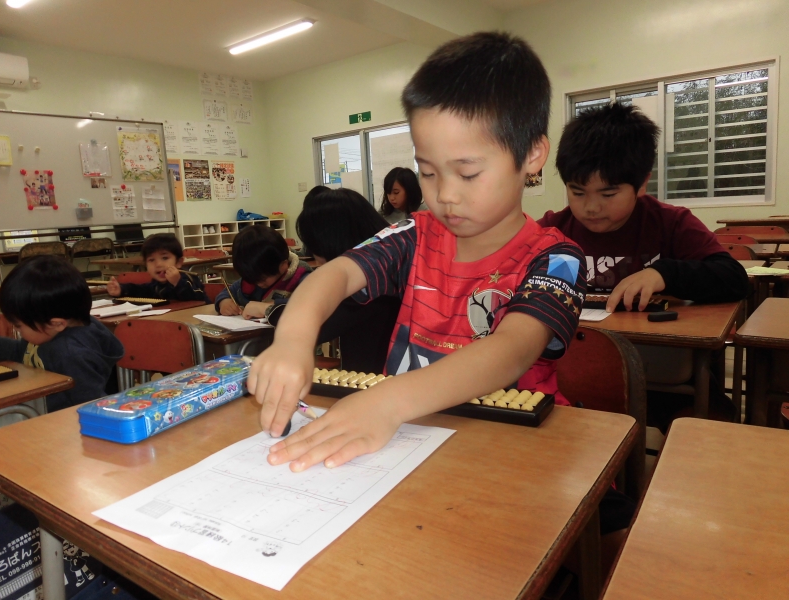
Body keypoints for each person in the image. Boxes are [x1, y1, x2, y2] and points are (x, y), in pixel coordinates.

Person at [247, 32, 586, 472]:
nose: (444, 194)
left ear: (533, 154)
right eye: (427, 172)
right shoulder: (415, 235)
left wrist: (387, 401)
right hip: (408, 440)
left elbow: (512, 351)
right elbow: (338, 274)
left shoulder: (558, 258)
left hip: (511, 447)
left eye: (468, 173)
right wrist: (293, 340)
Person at [539, 102, 749, 311]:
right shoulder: (554, 230)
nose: (591, 207)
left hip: (653, 331)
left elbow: (734, 278)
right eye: (578, 192)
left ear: (641, 184)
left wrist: (664, 274)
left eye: (608, 194)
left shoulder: (671, 224)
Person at [271, 187, 401, 373]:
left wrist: (269, 309)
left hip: (375, 382)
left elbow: (316, 326)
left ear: (331, 242)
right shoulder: (388, 263)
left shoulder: (368, 286)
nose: (317, 259)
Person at [0, 256, 124, 412]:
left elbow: (93, 408)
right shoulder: (47, 332)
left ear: (57, 323)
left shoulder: (70, 355)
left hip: (57, 420)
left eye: (19, 326)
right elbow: (24, 353)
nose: (17, 330)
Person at [215, 225, 312, 320]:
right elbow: (228, 292)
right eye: (253, 279)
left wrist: (267, 307)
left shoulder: (301, 277)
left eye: (262, 279)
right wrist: (223, 301)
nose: (258, 284)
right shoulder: (254, 277)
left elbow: (311, 303)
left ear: (283, 265)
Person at [106, 233, 209, 303]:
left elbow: (198, 300)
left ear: (178, 262)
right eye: (151, 260)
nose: (158, 264)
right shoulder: (156, 285)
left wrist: (178, 283)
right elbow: (139, 290)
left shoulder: (188, 278)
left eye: (165, 258)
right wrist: (121, 290)